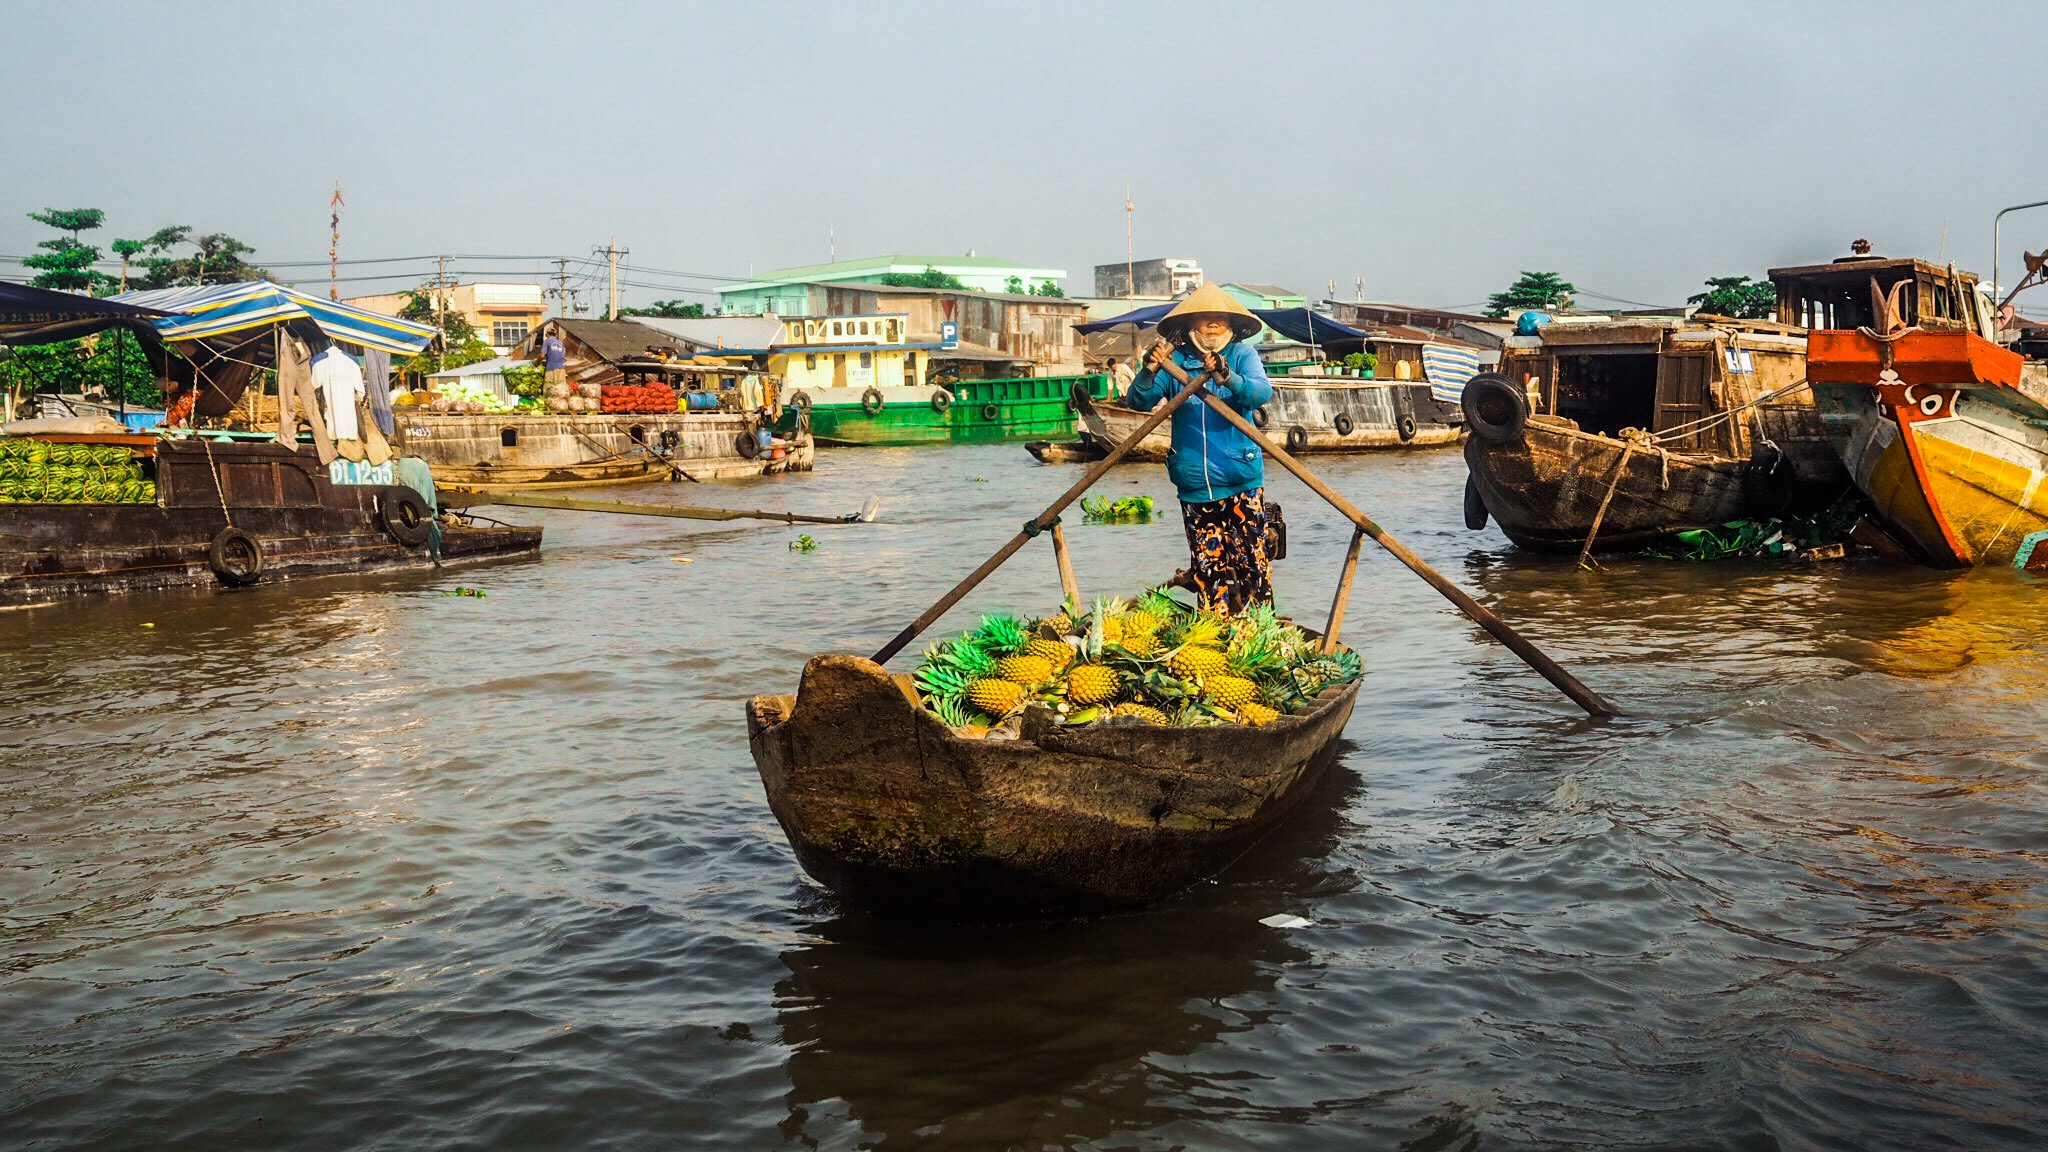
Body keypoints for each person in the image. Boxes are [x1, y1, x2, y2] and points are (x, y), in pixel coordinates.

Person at [1123, 284, 1275, 614]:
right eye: (1205, 318)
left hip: (1240, 482)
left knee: (1253, 565)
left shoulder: (1242, 356)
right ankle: (1216, 633)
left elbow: (1260, 394)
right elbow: (1138, 401)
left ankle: (1261, 628)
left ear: (1231, 325)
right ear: (1192, 324)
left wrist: (1227, 376)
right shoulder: (1174, 362)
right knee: (1209, 572)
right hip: (1195, 487)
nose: (1212, 324)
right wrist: (1149, 369)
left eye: (1219, 319)